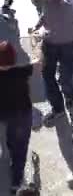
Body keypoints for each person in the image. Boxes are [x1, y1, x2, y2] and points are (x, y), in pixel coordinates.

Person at [29, 0, 73, 125]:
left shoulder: (65, 6)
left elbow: (60, 30)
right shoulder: (47, 0)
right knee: (47, 76)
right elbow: (45, 16)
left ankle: (69, 96)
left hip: (67, 46)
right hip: (50, 45)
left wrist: (41, 34)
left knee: (65, 78)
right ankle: (58, 109)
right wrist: (37, 25)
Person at [0, 41, 41, 195]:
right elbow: (38, 64)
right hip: (22, 115)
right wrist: (37, 48)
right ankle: (16, 182)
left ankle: (11, 152)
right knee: (21, 147)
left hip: (4, 115)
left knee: (10, 137)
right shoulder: (21, 71)